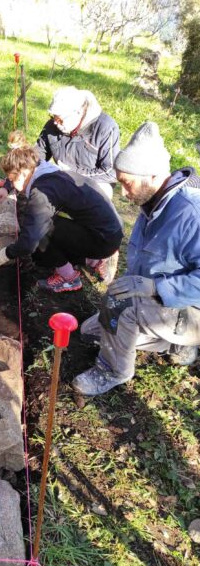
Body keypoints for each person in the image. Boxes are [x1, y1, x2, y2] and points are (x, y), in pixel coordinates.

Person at [73, 121, 200, 396]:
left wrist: (156, 289)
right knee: (91, 330)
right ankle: (173, 344)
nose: (122, 192)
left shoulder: (191, 214)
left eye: (126, 183)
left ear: (152, 175)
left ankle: (112, 371)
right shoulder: (151, 205)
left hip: (192, 311)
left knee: (119, 308)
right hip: (160, 303)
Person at [0, 141, 124, 292]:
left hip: (103, 239)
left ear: (23, 173)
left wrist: (7, 253)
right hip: (111, 230)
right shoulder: (48, 171)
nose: (12, 185)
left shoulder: (41, 190)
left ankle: (69, 278)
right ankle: (93, 260)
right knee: (46, 225)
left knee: (41, 233)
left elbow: (29, 242)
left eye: (12, 180)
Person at [35, 86, 120, 198]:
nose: (55, 123)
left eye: (60, 119)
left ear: (78, 112)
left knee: (104, 191)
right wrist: (9, 184)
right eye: (53, 117)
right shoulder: (52, 125)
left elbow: (110, 172)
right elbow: (35, 156)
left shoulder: (106, 127)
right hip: (61, 177)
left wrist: (73, 173)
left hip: (91, 182)